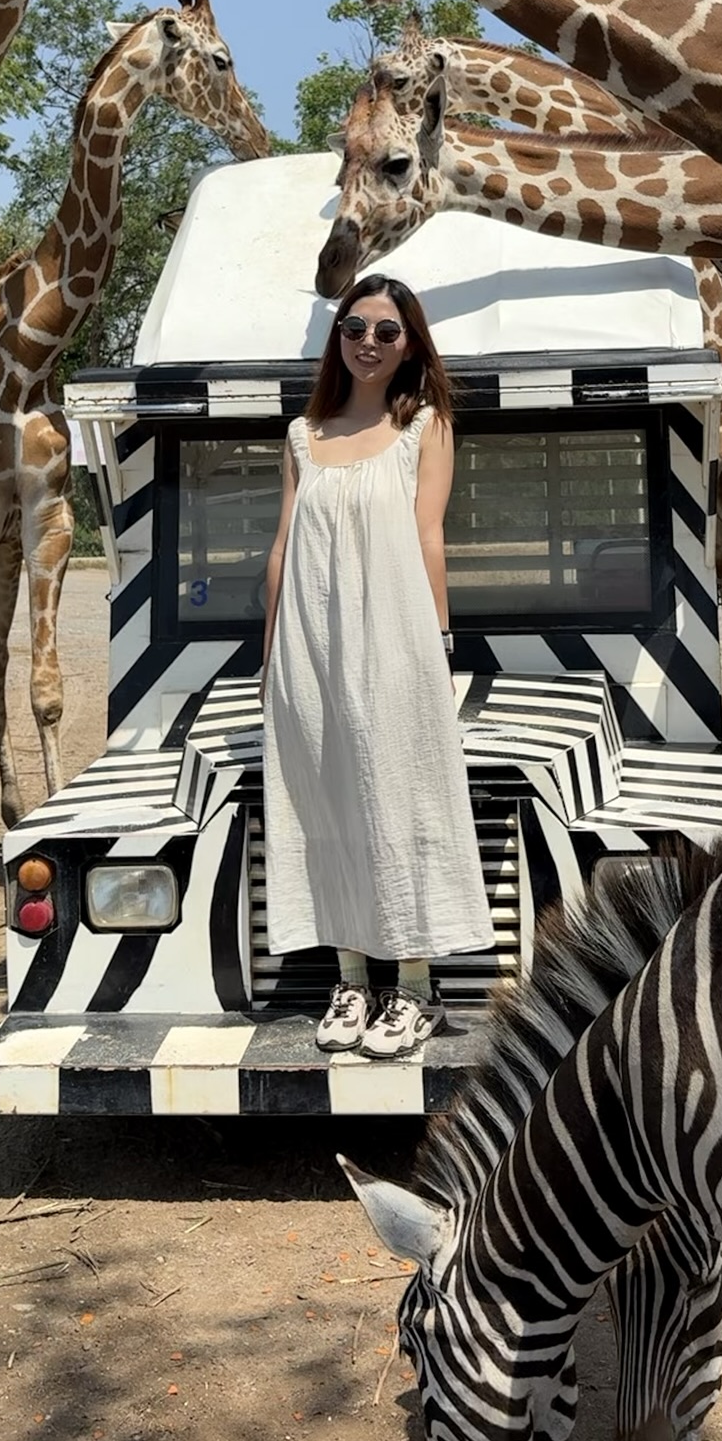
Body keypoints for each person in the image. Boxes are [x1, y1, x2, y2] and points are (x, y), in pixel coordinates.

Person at [260, 274, 494, 1059]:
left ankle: (416, 989)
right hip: (309, 652)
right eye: (355, 327)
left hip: (396, 641)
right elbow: (283, 548)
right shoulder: (304, 434)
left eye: (387, 332)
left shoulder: (425, 425)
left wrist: (438, 645)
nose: (368, 342)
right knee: (327, 803)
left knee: (402, 799)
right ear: (338, 336)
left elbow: (429, 536)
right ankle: (352, 980)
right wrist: (270, 657)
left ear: (409, 344)